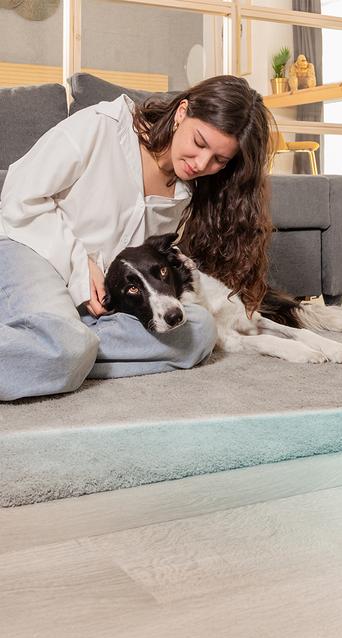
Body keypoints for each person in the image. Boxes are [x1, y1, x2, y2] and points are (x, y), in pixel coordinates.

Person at [0, 75, 274, 401]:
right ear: (182, 112)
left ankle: (65, 353)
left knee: (199, 330)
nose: (201, 163)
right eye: (199, 142)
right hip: (29, 247)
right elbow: (19, 195)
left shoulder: (184, 193)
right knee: (66, 347)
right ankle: (64, 352)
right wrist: (79, 262)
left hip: (96, 298)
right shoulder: (102, 126)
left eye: (219, 160)